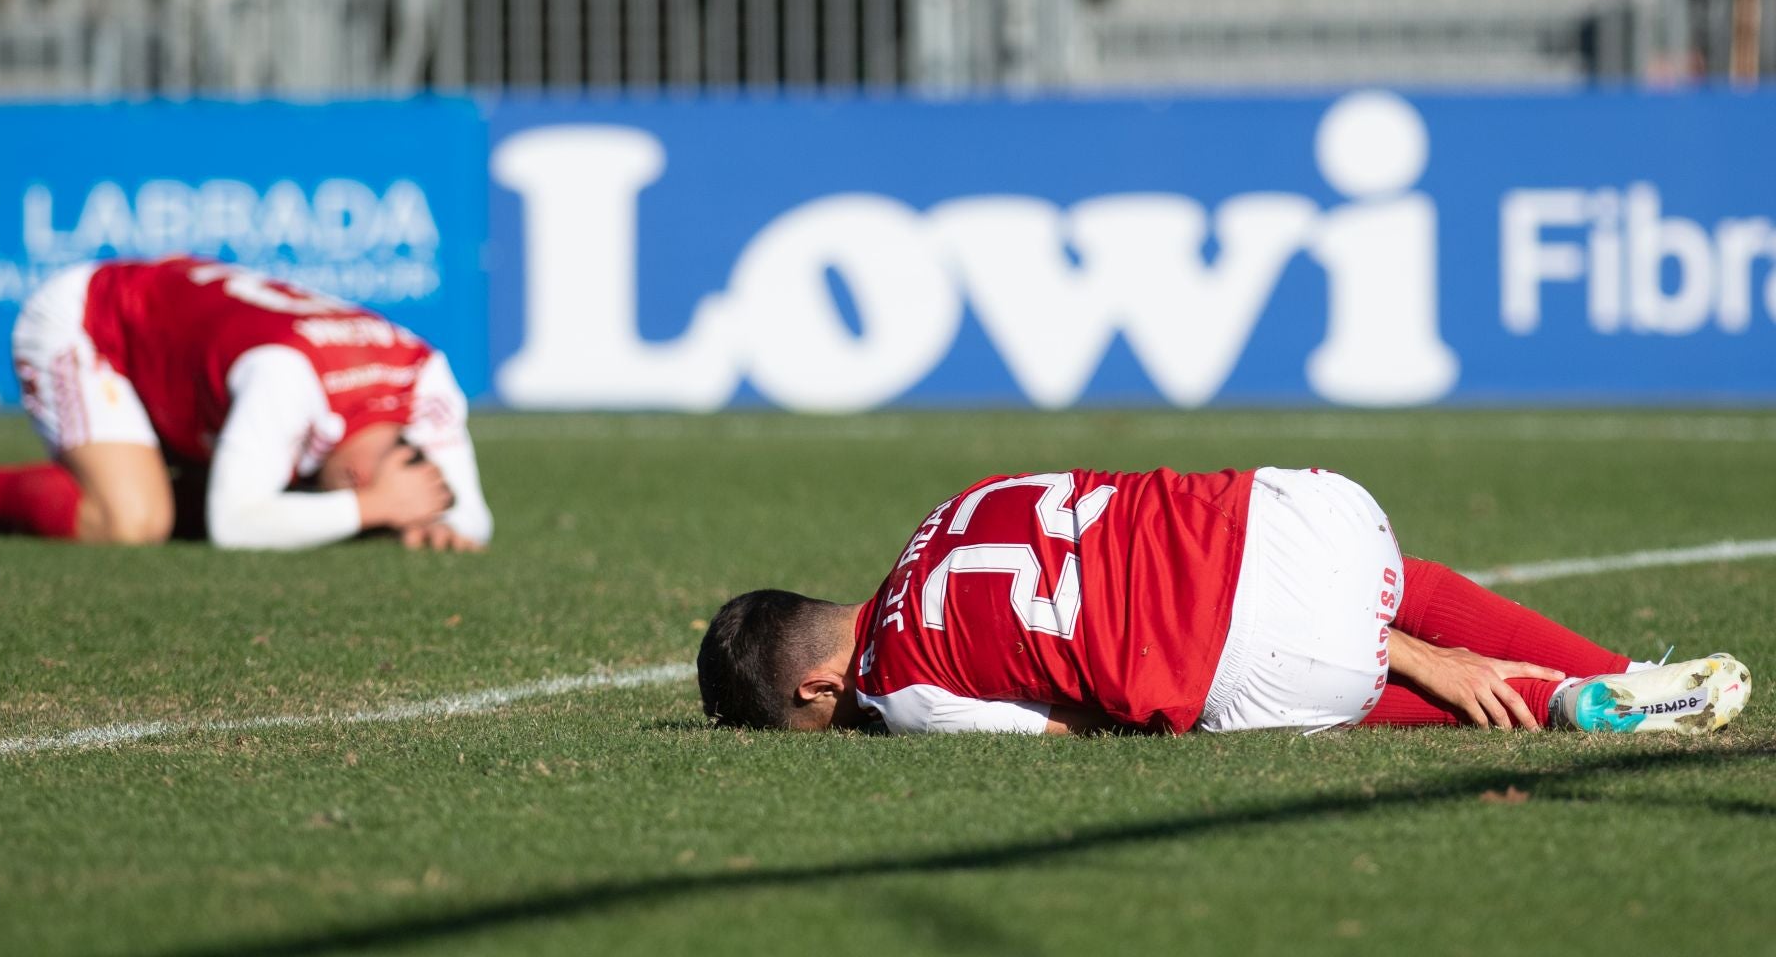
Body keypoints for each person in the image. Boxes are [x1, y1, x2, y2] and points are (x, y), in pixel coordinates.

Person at [698, 465, 1751, 736]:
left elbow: (1070, 724)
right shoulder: (954, 503)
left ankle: (1563, 707)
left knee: (1219, 691)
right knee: (1406, 586)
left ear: (819, 682)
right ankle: (1618, 671)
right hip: (1312, 511)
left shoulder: (907, 690)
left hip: (1279, 647)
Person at [0, 256, 493, 552]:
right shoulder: (290, 381)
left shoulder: (424, 374)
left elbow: (468, 515)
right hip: (90, 324)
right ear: (355, 473)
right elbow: (234, 523)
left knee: (278, 499)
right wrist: (372, 508)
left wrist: (441, 524)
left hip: (181, 355)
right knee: (132, 521)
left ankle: (128, 469)